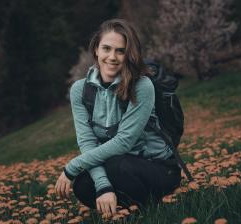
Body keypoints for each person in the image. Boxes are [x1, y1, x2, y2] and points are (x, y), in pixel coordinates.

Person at [55, 19, 181, 215]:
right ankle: (123, 209)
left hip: (158, 169)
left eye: (120, 51)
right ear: (96, 49)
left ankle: (149, 208)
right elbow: (88, 143)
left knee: (115, 165)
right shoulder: (80, 90)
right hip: (119, 166)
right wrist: (103, 186)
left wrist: (72, 166)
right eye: (106, 48)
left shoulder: (142, 86)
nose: (112, 57)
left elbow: (124, 142)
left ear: (129, 55)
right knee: (83, 185)